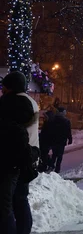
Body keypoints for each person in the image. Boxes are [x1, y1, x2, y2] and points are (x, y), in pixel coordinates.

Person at [1, 71, 39, 234]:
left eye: (4, 87)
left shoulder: (10, 102)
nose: (2, 90)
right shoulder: (32, 102)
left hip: (13, 159)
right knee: (21, 199)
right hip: (28, 158)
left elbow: (10, 130)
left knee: (6, 205)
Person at [46, 107, 72, 173]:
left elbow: (50, 130)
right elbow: (68, 131)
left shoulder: (53, 119)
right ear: (63, 113)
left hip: (54, 140)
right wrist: (70, 139)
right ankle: (57, 169)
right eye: (65, 112)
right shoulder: (66, 121)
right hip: (62, 141)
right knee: (60, 155)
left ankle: (51, 166)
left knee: (54, 154)